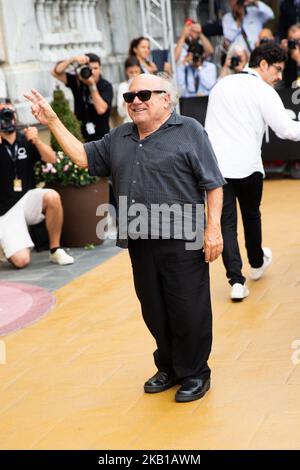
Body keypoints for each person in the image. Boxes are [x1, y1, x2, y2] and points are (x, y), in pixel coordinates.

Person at [25, 73, 225, 403]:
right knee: (154, 309)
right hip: (139, 239)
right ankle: (170, 366)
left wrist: (213, 229)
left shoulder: (189, 131)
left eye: (144, 94)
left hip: (183, 237)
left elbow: (213, 183)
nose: (136, 101)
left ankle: (195, 373)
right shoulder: (119, 137)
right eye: (130, 97)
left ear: (166, 99)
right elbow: (83, 157)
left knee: (189, 309)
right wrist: (53, 120)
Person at [205, 43, 300, 301]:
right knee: (250, 216)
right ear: (263, 65)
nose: (280, 76)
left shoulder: (222, 85)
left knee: (227, 223)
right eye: (278, 70)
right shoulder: (263, 91)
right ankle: (256, 263)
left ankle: (236, 281)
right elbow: (288, 130)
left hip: (217, 168)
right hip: (248, 166)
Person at [0, 101, 74, 268]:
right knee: (22, 261)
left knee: (52, 196)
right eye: (2, 115)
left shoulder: (25, 139)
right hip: (5, 211)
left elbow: (52, 159)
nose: (6, 119)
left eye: (9, 113)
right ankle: (10, 244)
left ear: (15, 117)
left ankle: (55, 250)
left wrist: (36, 141)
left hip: (26, 200)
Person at [52, 52, 113, 142]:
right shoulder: (77, 81)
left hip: (102, 138)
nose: (92, 72)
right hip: (81, 136)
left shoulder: (105, 85)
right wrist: (72, 59)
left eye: (95, 68)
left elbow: (101, 109)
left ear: (100, 69)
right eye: (89, 69)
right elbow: (55, 72)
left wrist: (92, 85)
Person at [117, 56, 142, 123]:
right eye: (131, 72)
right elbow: (121, 113)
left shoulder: (145, 85)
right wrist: (129, 91)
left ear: (140, 70)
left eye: (136, 72)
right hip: (129, 122)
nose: (134, 75)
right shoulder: (122, 86)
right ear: (126, 72)